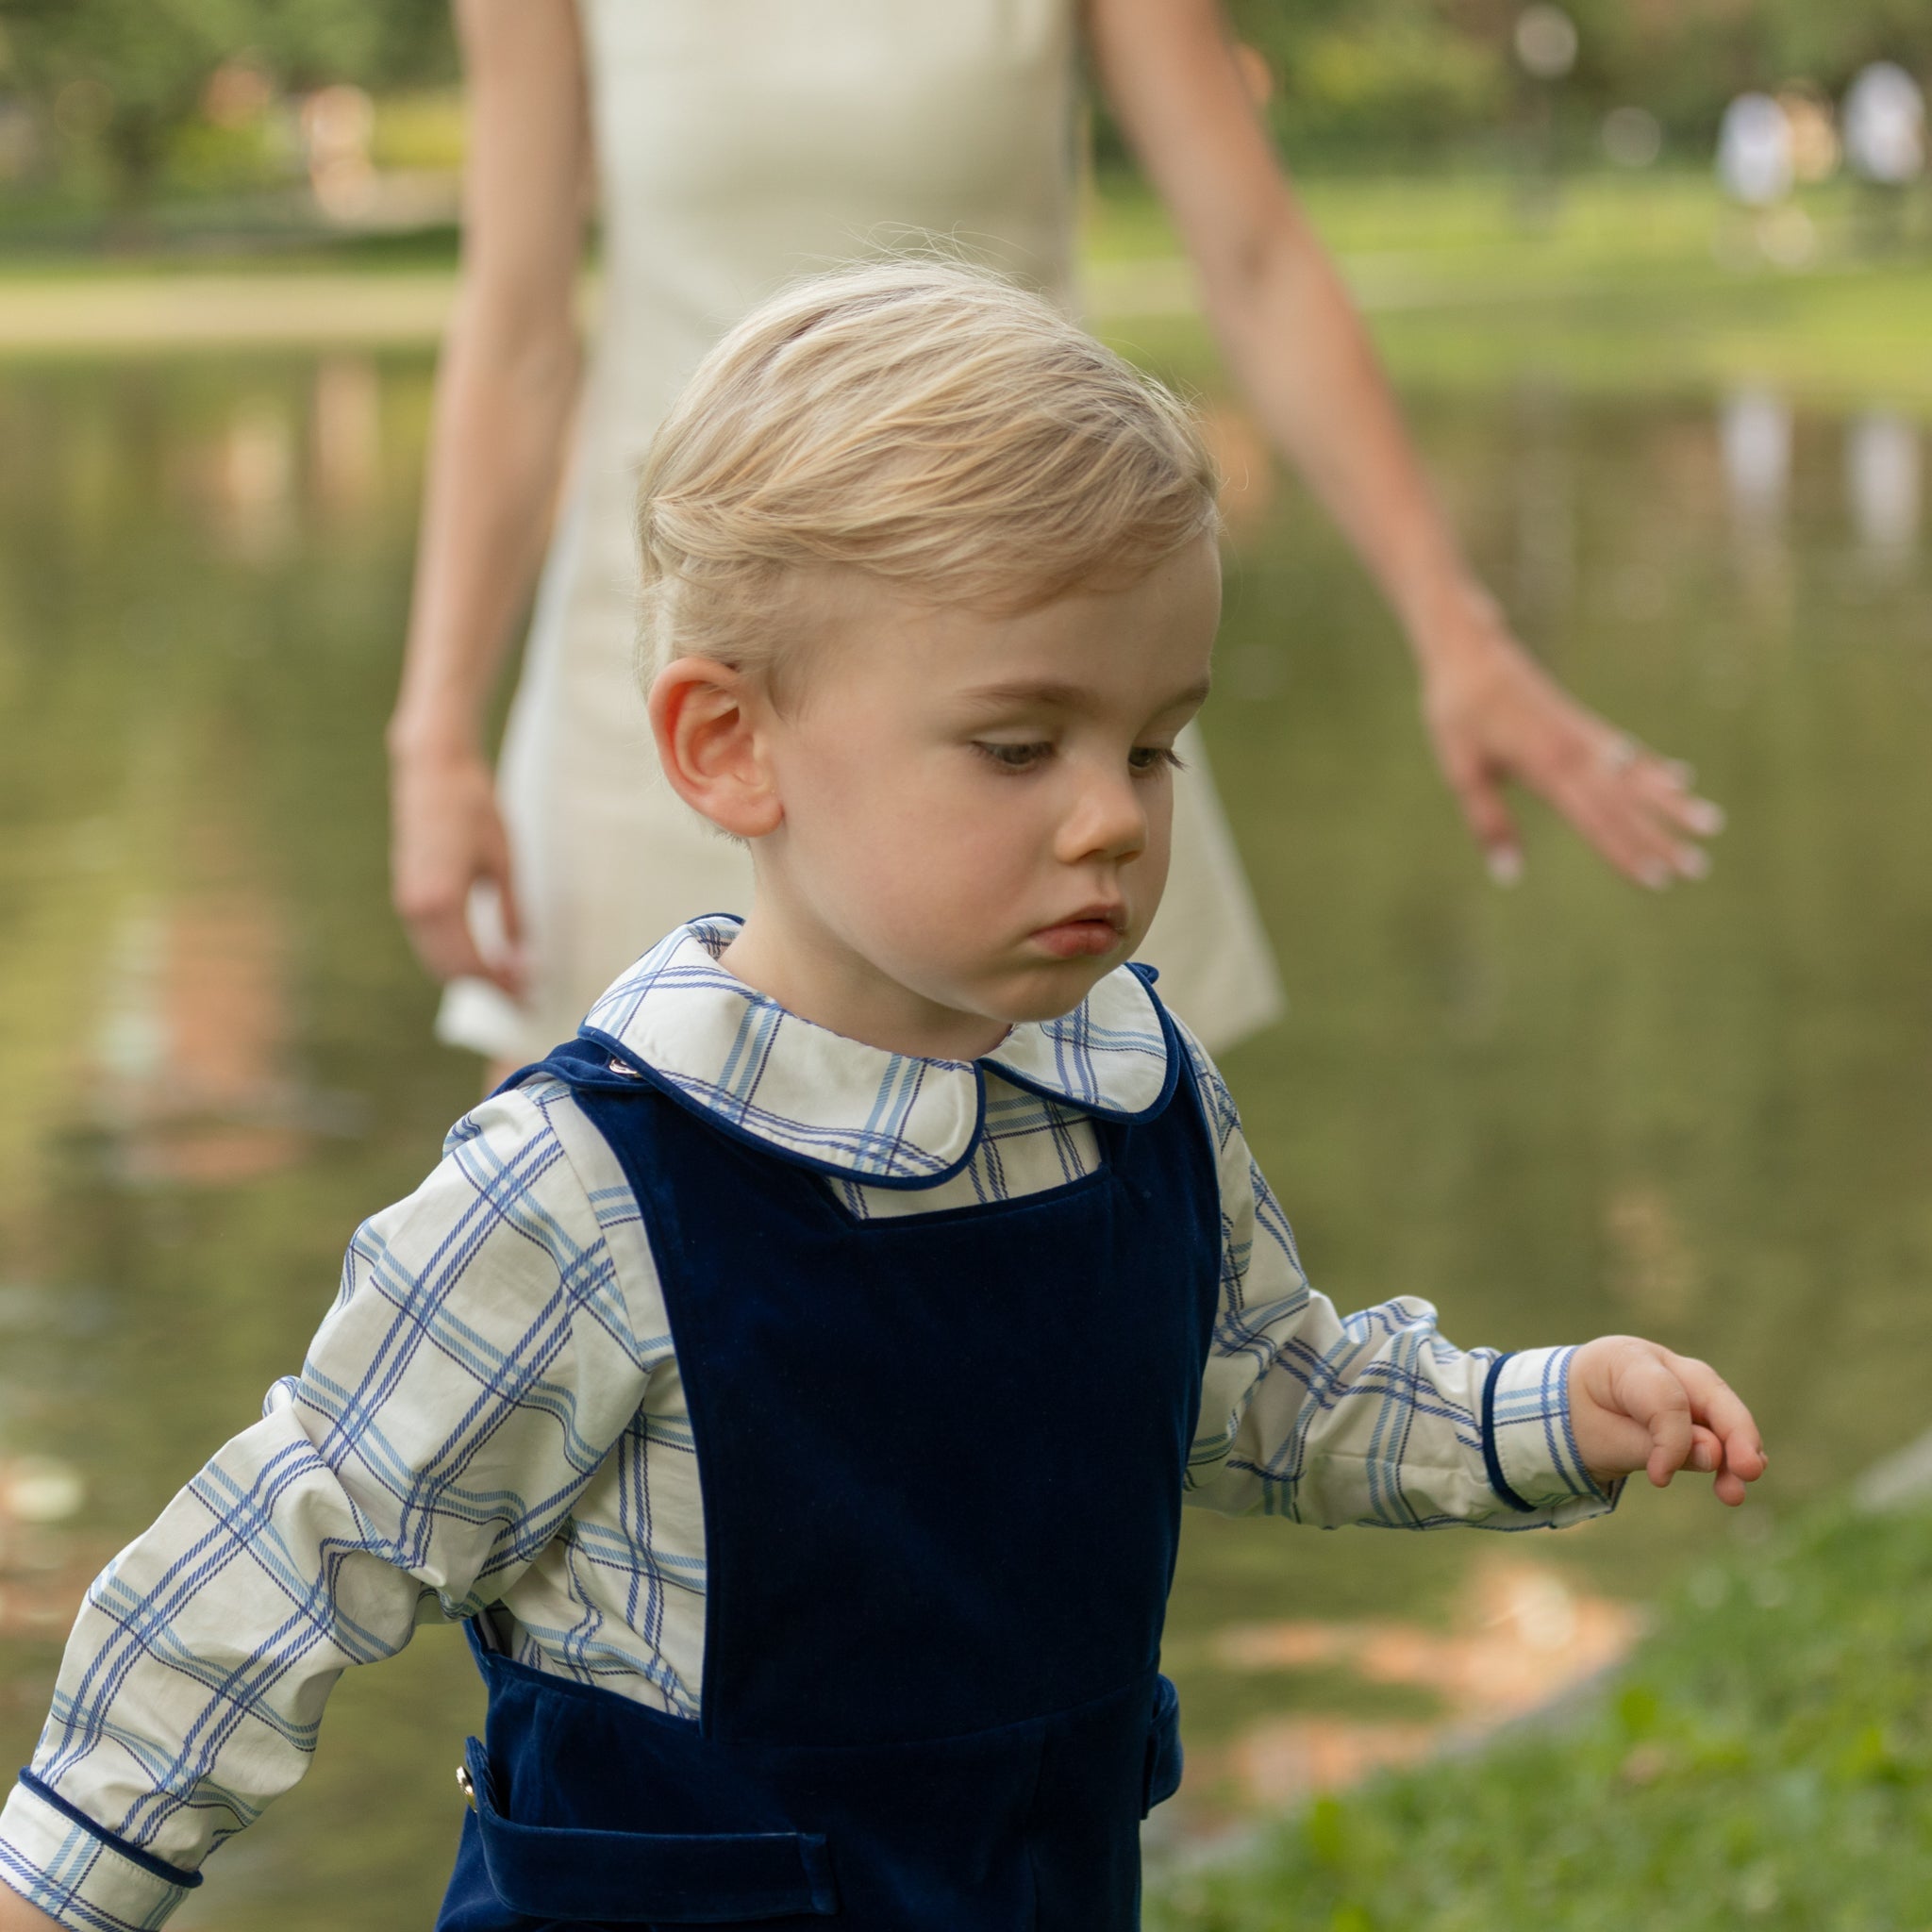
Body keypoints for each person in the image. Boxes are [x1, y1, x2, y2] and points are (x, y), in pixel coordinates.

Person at [0, 267, 1763, 1932]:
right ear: (728, 745)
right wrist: (62, 1882)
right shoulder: (595, 1186)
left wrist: (1544, 1418)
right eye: (1019, 747)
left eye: (1153, 743)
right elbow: (305, 1537)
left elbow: (1270, 1395)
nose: (1114, 819)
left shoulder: (1132, 1099)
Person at [391, 0, 1724, 1076]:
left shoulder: (1091, 793)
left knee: (1103, 1262)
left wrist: (1456, 628)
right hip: (664, 680)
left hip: (1031, 666)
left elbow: (1255, 256)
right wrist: (434, 730)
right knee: (634, 1256)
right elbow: (515, 332)